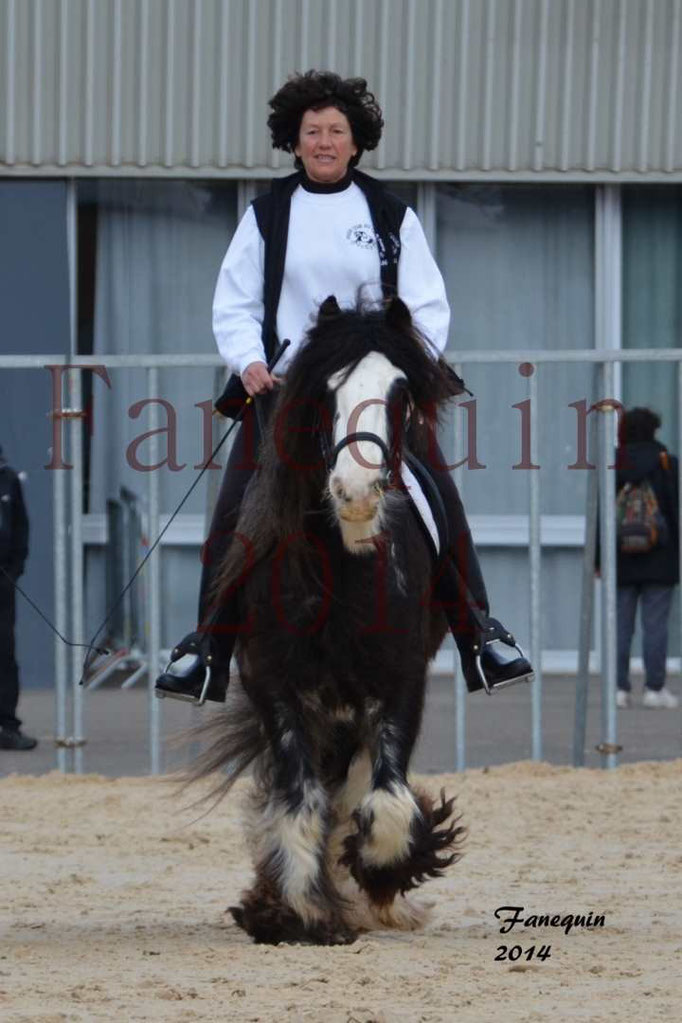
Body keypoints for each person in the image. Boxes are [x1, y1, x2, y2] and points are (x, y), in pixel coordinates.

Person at [156, 70, 533, 702]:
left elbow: (427, 305)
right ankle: (208, 649)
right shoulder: (267, 214)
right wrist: (248, 360)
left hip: (373, 389)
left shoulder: (389, 213)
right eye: (313, 132)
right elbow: (235, 303)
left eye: (337, 131)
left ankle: (479, 633)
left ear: (356, 144)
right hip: (287, 392)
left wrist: (407, 366)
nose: (325, 142)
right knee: (233, 509)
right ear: (294, 142)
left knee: (438, 493)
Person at [614, 408, 679, 710]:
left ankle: (619, 689)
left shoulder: (615, 463)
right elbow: (673, 512)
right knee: (655, 626)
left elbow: (604, 513)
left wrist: (601, 560)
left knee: (621, 627)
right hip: (659, 557)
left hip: (621, 556)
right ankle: (654, 689)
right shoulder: (666, 462)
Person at [0, 445, 37, 750]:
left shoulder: (8, 479)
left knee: (4, 654)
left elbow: (21, 528)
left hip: (2, 582)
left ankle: (7, 725)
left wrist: (14, 571)